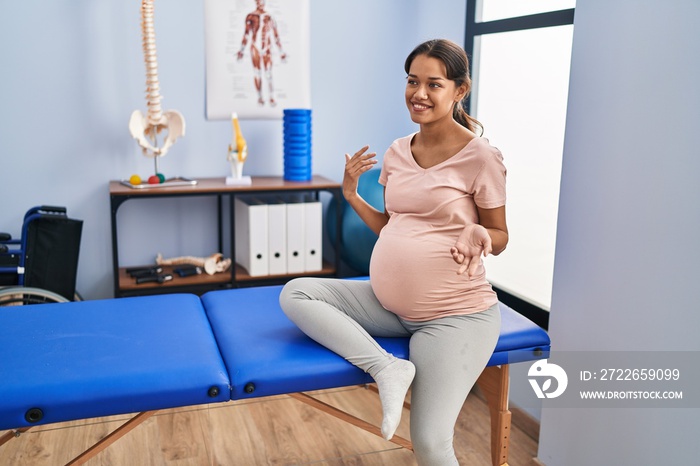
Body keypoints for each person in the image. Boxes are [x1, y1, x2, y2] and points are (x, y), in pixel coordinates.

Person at [279, 38, 508, 466]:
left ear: (460, 90)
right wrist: (351, 195)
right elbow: (392, 226)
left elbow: (499, 234)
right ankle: (386, 368)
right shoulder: (398, 152)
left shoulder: (481, 157)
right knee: (295, 292)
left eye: (433, 84)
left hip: (454, 316)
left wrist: (479, 232)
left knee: (429, 441)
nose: (419, 93)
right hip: (388, 306)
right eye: (412, 81)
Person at [236, 0, 287, 106]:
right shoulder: (250, 16)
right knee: (257, 73)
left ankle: (271, 97)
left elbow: (276, 35)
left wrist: (281, 51)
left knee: (268, 74)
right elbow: (246, 34)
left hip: (266, 48)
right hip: (255, 47)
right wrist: (241, 50)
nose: (261, 3)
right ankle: (260, 97)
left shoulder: (270, 17)